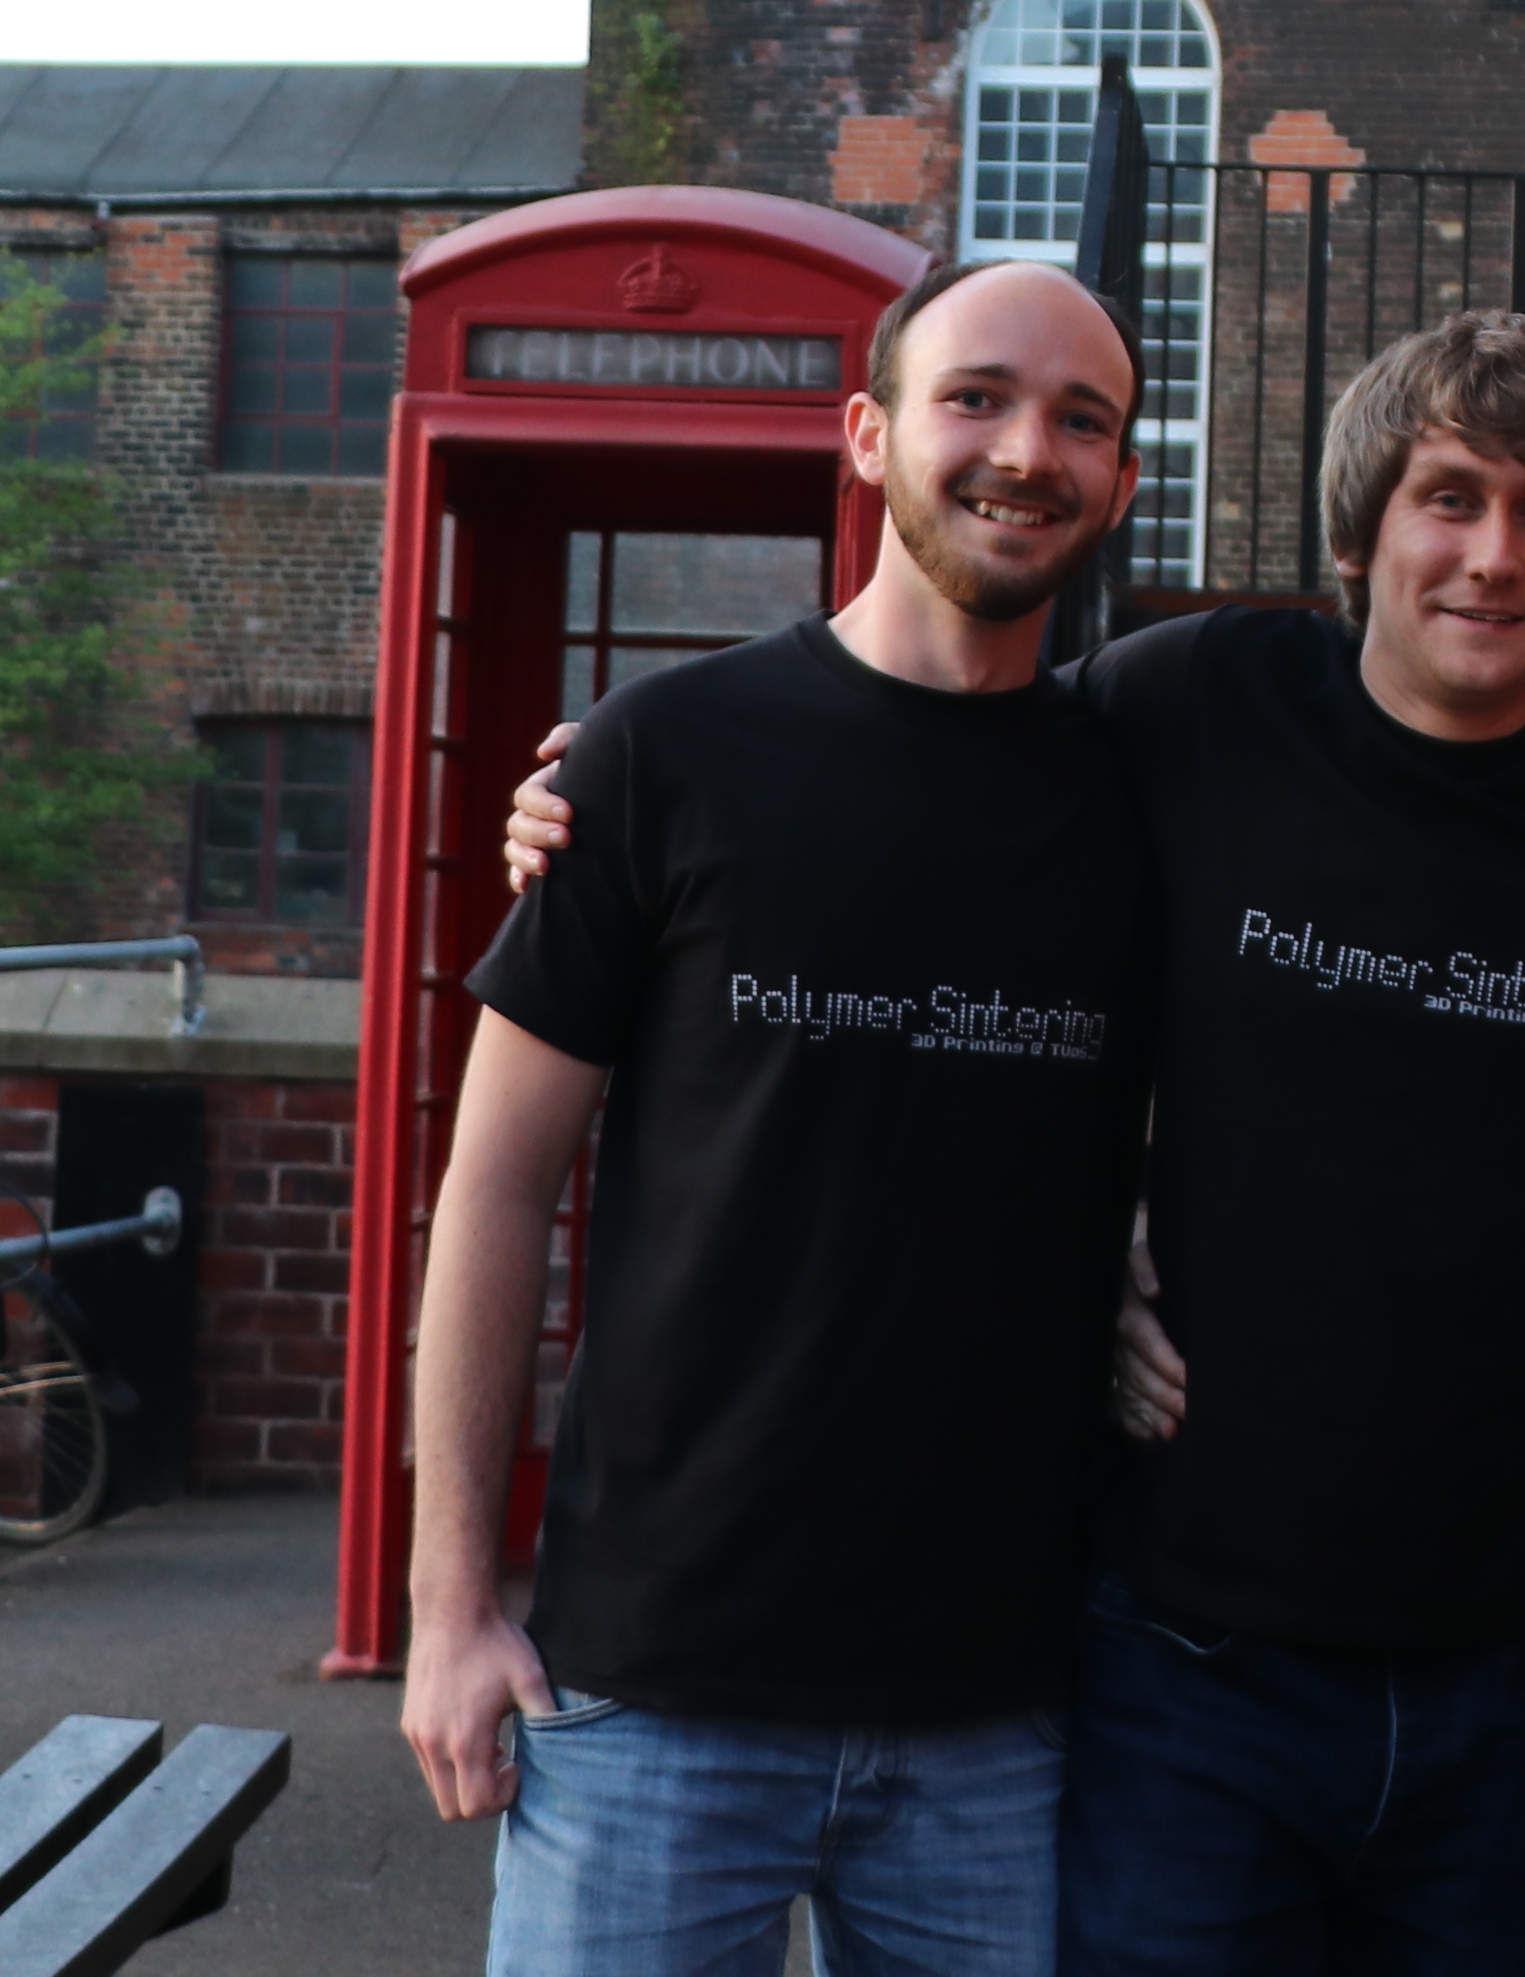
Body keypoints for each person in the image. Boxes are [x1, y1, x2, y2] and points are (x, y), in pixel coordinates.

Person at [512, 309, 1525, 1977]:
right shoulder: (1198, 699)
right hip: (1189, 1668)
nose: (1491, 553)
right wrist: (612, 781)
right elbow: (924, 773)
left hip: (1518, 1664)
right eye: (1447, 499)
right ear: (1361, 532)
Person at [396, 250, 1160, 1977]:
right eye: (975, 398)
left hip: (1002, 1714)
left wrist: (1132, 1253)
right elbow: (497, 1182)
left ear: (1126, 478)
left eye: (1080, 417)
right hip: (655, 1692)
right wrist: (449, 1605)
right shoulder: (663, 757)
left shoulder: (1147, 794)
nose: (1025, 448)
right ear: (868, 437)